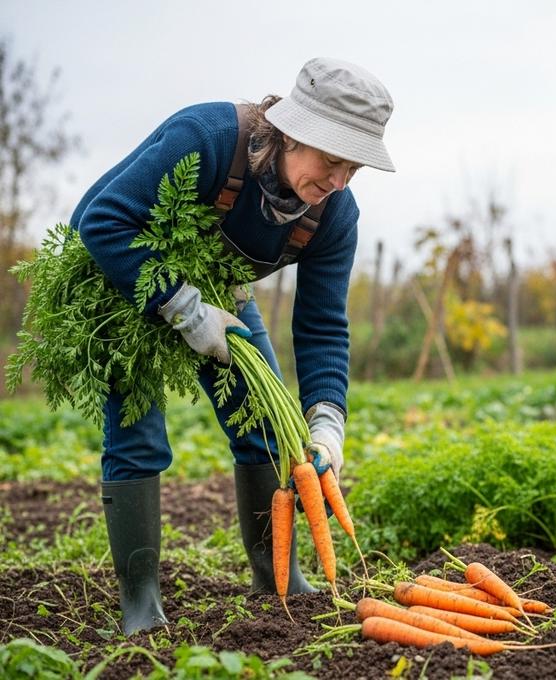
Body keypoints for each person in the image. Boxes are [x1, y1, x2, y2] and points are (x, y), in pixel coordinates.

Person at [70, 57, 395, 635]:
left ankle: (277, 579)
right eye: (332, 160)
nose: (339, 180)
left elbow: (321, 323)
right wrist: (185, 309)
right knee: (139, 436)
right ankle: (140, 600)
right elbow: (101, 221)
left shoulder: (334, 216)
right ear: (295, 133)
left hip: (220, 292)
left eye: (354, 167)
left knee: (267, 427)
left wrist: (326, 419)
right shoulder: (208, 139)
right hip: (130, 278)